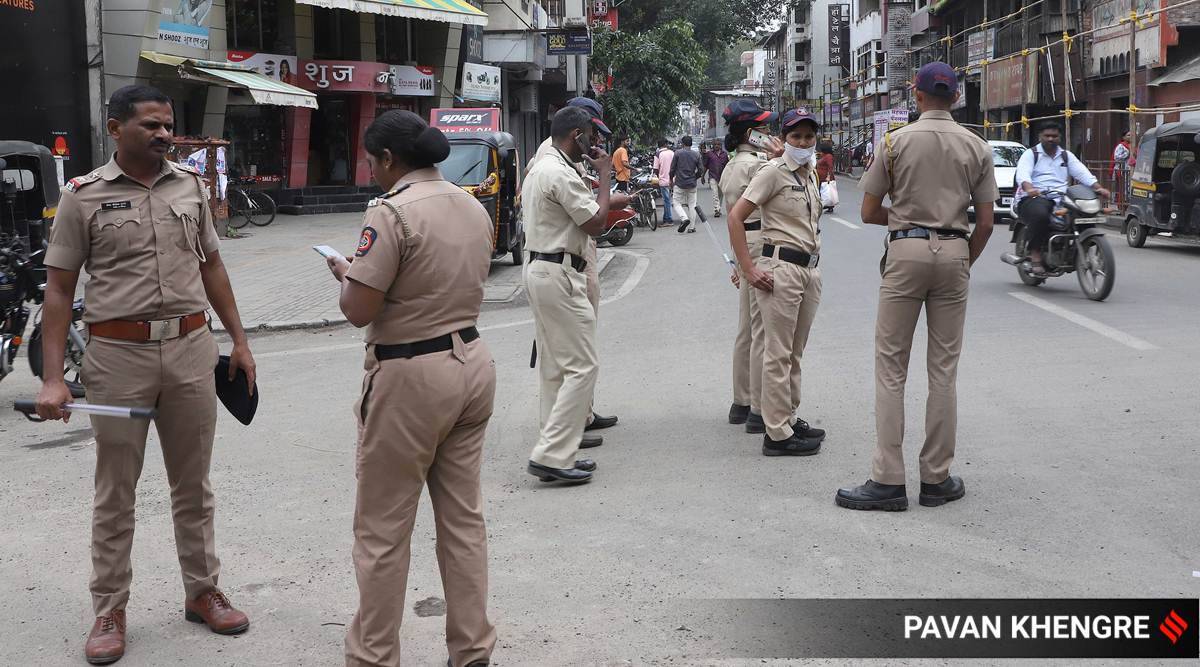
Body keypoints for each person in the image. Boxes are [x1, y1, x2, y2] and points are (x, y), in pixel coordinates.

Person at [35, 84, 257, 664]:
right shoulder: (82, 197)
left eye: (167, 126)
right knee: (116, 492)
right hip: (117, 357)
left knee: (194, 487)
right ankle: (109, 607)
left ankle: (203, 592)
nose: (163, 135)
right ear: (115, 129)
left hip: (190, 350)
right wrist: (53, 377)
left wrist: (238, 340)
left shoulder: (190, 186)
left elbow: (212, 265)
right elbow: (59, 290)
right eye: (151, 126)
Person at [325, 111, 497, 667]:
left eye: (371, 160)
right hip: (471, 360)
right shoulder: (472, 205)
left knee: (382, 530)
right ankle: (472, 650)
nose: (370, 170)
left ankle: (374, 657)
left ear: (388, 160)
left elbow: (358, 310)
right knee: (463, 520)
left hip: (410, 374)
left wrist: (349, 274)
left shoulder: (390, 211)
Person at [835, 62, 998, 512]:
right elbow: (984, 223)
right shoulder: (977, 146)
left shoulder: (894, 142)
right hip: (955, 253)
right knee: (943, 371)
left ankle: (888, 480)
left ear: (918, 95)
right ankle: (936, 479)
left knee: (891, 368)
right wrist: (961, 258)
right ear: (957, 98)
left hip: (905, 254)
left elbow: (868, 211)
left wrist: (908, 221)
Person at [522, 106, 617, 483]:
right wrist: (606, 178)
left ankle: (556, 446)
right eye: (591, 137)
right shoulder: (559, 171)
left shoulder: (542, 166)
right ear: (576, 135)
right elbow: (594, 223)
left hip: (542, 268)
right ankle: (551, 454)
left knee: (553, 367)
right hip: (559, 273)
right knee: (583, 365)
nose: (595, 145)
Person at [726, 108, 827, 457]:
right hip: (781, 269)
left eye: (809, 137)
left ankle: (788, 417)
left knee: (794, 354)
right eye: (796, 136)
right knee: (777, 352)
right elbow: (736, 217)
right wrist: (748, 269)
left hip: (809, 271)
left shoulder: (809, 173)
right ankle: (777, 434)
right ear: (784, 139)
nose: (803, 142)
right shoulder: (771, 172)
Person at [718, 99, 782, 432]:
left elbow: (732, 217)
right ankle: (758, 408)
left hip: (745, 244)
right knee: (760, 330)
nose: (769, 133)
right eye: (764, 128)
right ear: (751, 132)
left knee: (746, 329)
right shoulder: (758, 165)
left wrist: (737, 261)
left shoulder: (732, 165)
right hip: (759, 243)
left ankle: (741, 402)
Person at [1012, 121, 1110, 274]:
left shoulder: (1065, 155)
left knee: (1086, 214)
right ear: (1040, 136)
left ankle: (1080, 248)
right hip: (1033, 197)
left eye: (1054, 136)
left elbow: (1082, 172)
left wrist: (1098, 188)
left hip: (1061, 198)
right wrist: (1029, 188)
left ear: (1060, 137)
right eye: (1047, 136)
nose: (1050, 139)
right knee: (1040, 215)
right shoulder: (1031, 154)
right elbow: (1023, 174)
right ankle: (1035, 253)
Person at [670, 135, 703, 233]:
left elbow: (672, 169)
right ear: (691, 143)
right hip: (692, 184)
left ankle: (684, 218)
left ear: (682, 144)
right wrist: (695, 177)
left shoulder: (677, 153)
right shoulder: (696, 154)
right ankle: (692, 227)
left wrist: (670, 179)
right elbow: (701, 170)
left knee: (676, 203)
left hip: (680, 183)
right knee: (692, 205)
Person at [653, 138, 675, 225]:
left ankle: (668, 219)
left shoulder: (658, 154)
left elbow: (655, 169)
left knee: (666, 200)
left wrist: (657, 176)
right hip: (672, 179)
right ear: (666, 144)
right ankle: (666, 218)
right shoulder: (672, 153)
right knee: (668, 199)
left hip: (663, 180)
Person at [704, 141, 730, 217]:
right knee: (715, 193)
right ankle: (717, 210)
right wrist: (702, 176)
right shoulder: (709, 154)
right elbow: (706, 166)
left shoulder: (724, 154)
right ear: (713, 145)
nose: (716, 146)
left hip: (722, 177)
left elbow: (727, 166)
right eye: (715, 144)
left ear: (721, 145)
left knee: (720, 194)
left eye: (718, 144)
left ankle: (719, 208)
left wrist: (728, 176)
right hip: (712, 176)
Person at [1112, 130, 1132, 204]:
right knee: (1123, 187)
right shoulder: (1121, 146)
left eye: (1131, 135)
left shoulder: (1132, 145)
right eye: (1128, 135)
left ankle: (1127, 202)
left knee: (1129, 186)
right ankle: (1122, 203)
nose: (1130, 137)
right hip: (1122, 170)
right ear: (1123, 137)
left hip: (1130, 169)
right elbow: (1116, 157)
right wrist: (1127, 152)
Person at [816, 142, 836, 213]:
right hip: (820, 177)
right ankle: (826, 205)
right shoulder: (824, 156)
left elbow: (830, 166)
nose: (820, 151)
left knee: (827, 192)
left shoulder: (828, 156)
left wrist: (828, 176)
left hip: (825, 177)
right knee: (822, 191)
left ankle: (829, 206)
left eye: (821, 150)